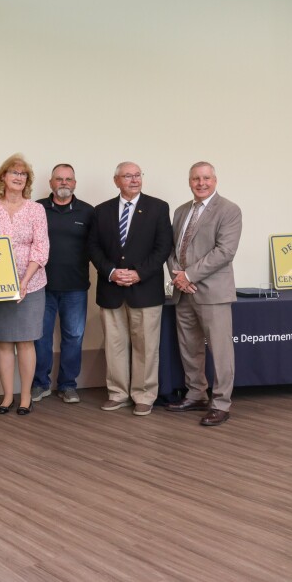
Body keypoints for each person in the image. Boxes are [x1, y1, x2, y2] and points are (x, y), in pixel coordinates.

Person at [87, 162, 172, 416]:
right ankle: (118, 393)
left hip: (145, 290)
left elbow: (163, 247)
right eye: (127, 176)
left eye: (137, 175)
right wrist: (112, 272)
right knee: (115, 346)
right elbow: (93, 247)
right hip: (111, 290)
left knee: (146, 347)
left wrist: (138, 273)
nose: (134, 180)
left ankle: (144, 395)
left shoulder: (158, 207)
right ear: (116, 181)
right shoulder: (101, 211)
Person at [166, 162, 242, 426]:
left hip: (213, 293)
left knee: (220, 352)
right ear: (189, 182)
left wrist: (188, 275)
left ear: (215, 180)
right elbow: (172, 249)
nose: (201, 183)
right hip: (183, 292)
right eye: (196, 178)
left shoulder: (229, 210)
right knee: (190, 348)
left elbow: (225, 252)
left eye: (206, 178)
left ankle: (221, 403)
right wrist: (178, 276)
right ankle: (196, 394)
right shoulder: (180, 211)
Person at [0, 154, 49, 415]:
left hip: (31, 284)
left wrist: (24, 282)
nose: (19, 177)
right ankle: (7, 396)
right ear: (3, 178)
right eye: (14, 173)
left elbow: (41, 248)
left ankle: (26, 397)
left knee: (26, 341)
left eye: (23, 174)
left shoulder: (36, 210)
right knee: (4, 341)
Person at [31, 164, 94, 404]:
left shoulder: (87, 212)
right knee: (41, 337)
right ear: (51, 183)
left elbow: (95, 247)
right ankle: (40, 383)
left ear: (75, 184)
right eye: (59, 179)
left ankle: (68, 385)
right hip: (41, 286)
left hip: (76, 286)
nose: (64, 183)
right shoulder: (36, 209)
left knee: (74, 337)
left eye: (68, 179)